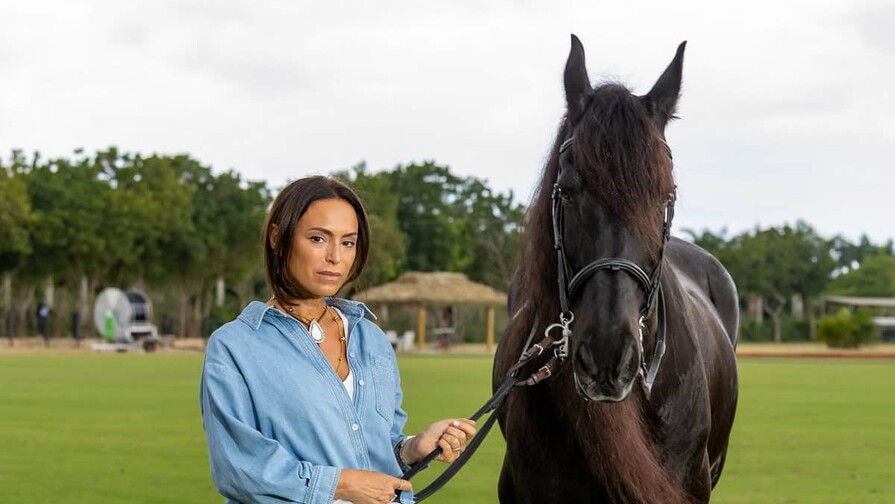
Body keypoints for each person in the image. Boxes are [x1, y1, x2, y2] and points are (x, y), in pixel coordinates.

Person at [200, 176, 476, 504]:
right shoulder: (235, 347)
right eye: (318, 238)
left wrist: (413, 449)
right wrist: (341, 484)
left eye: (348, 242)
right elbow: (239, 469)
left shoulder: (371, 339)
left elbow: (376, 451)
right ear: (278, 237)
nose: (335, 257)